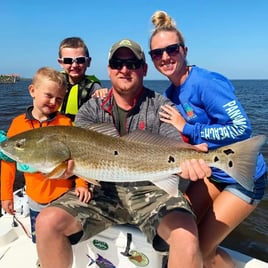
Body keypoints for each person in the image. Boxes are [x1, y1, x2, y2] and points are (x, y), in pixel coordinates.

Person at [35, 39, 212, 268]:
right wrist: (63, 171)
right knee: (47, 222)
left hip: (153, 189)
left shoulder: (162, 106)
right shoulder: (90, 109)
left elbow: (175, 149)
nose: (125, 69)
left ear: (144, 68)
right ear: (109, 69)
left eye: (133, 63)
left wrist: (192, 161)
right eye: (118, 63)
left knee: (186, 237)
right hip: (101, 191)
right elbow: (75, 159)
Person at [148, 10, 267, 268]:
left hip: (242, 176)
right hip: (212, 173)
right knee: (178, 229)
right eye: (157, 53)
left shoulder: (205, 83)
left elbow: (241, 128)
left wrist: (189, 128)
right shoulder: (171, 93)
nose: (165, 57)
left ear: (184, 49)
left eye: (172, 49)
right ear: (152, 59)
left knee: (203, 249)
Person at [0, 67, 91, 243]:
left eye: (59, 99)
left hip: (63, 193)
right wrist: (6, 195)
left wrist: (81, 184)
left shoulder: (65, 123)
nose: (53, 102)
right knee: (40, 238)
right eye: (48, 95)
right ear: (32, 91)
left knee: (61, 235)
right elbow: (8, 163)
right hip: (34, 196)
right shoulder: (18, 124)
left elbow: (79, 157)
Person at [57, 37, 106, 121]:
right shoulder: (55, 82)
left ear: (88, 62)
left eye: (80, 60)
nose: (75, 65)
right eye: (68, 60)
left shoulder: (93, 88)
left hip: (80, 132)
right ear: (61, 63)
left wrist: (103, 94)